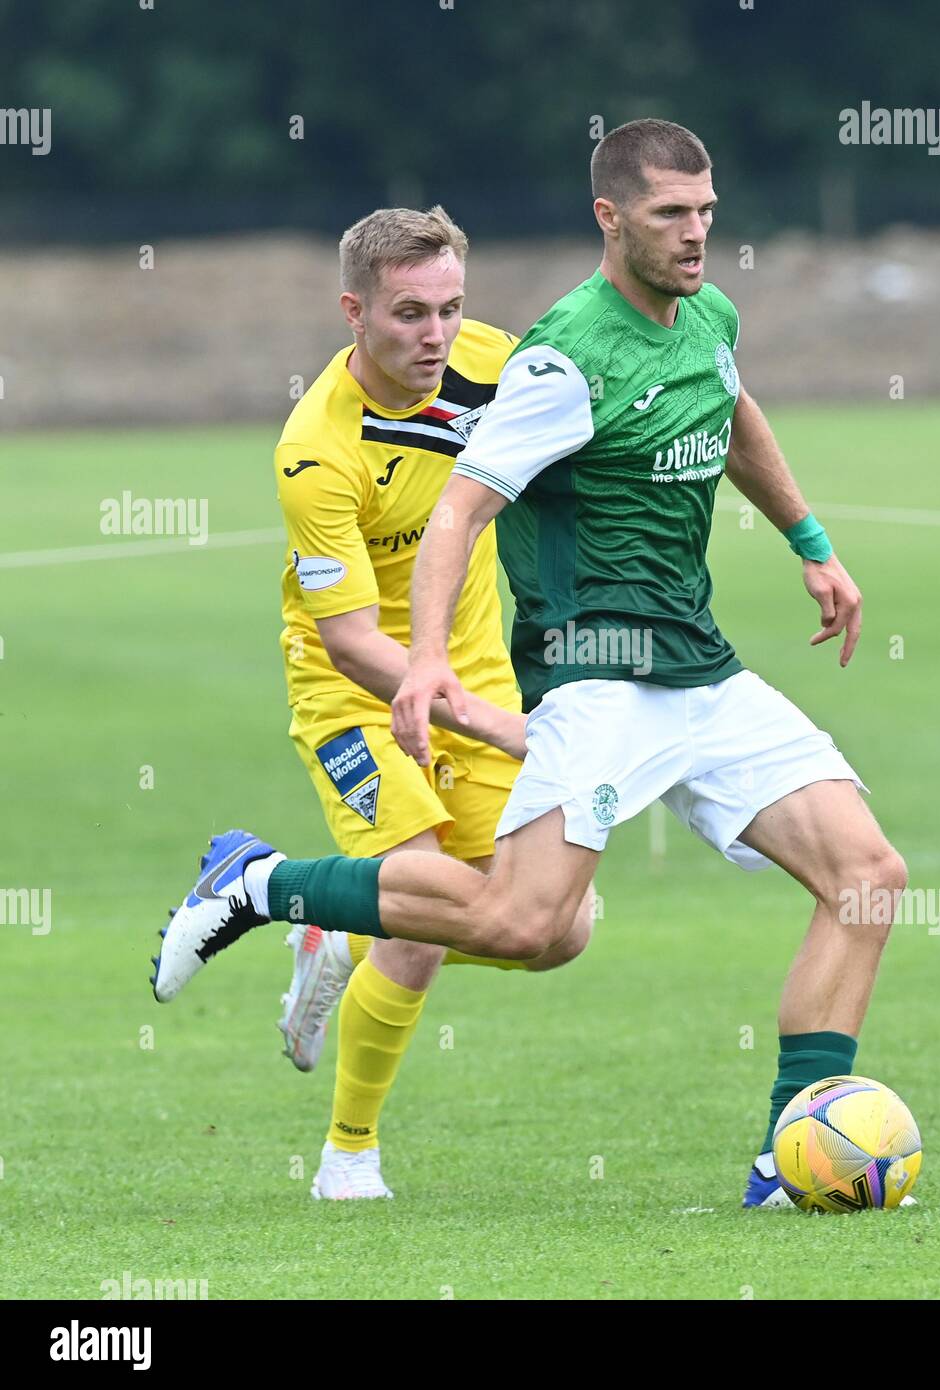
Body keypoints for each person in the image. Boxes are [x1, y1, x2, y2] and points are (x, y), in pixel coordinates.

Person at [155, 120, 905, 1209]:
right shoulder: (542, 366)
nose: (696, 235)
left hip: (695, 667)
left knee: (863, 878)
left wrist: (810, 542)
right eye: (669, 216)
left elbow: (728, 407)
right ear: (609, 218)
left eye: (705, 212)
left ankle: (791, 1166)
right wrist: (424, 671)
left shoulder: (681, 321)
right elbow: (459, 514)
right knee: (517, 921)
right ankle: (265, 888)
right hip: (577, 676)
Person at [153, 205, 592, 1201]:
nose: (433, 335)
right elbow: (350, 639)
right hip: (353, 691)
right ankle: (347, 1154)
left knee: (555, 929)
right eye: (406, 314)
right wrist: (476, 715)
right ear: (352, 310)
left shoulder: (495, 365)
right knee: (429, 895)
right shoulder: (316, 448)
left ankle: (324, 916)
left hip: (473, 670)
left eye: (448, 308)